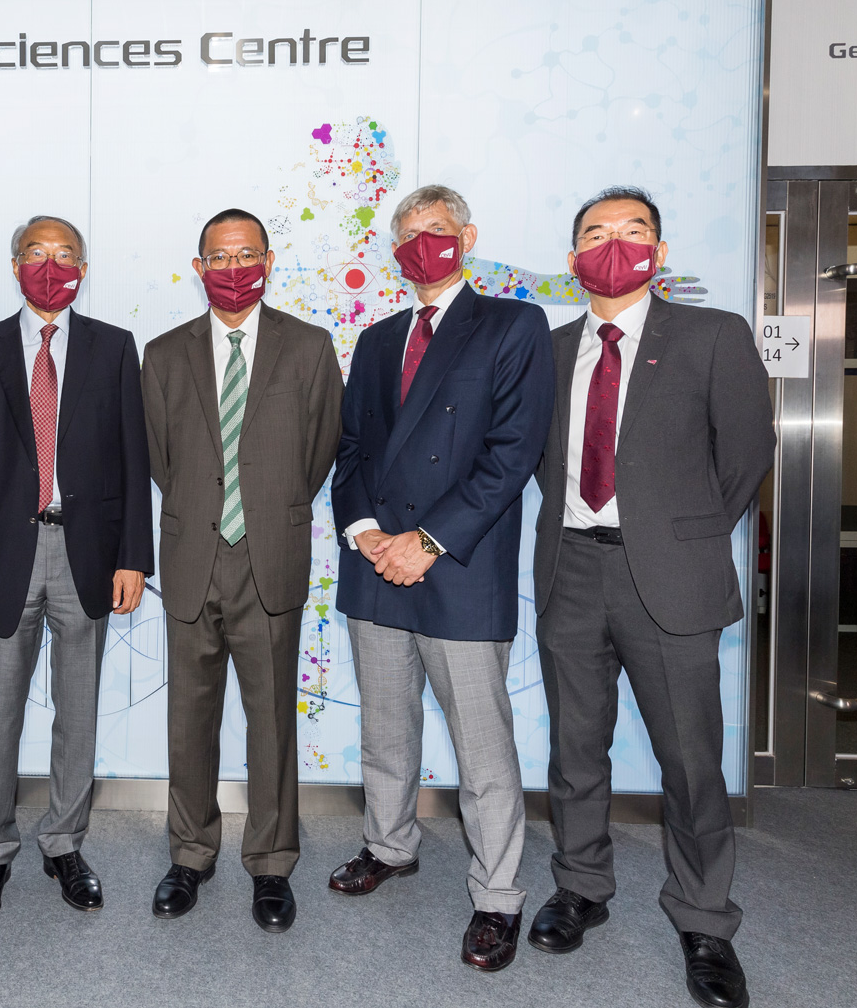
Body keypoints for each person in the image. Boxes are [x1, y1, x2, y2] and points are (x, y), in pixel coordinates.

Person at [529, 187, 773, 1008]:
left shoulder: (711, 335)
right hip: (570, 570)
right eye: (597, 234)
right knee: (575, 748)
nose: (615, 244)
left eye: (634, 232)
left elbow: (745, 452)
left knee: (691, 760)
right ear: (572, 260)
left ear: (659, 254)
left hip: (667, 578)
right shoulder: (553, 349)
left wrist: (685, 534)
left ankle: (705, 917)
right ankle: (582, 886)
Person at [329, 185, 555, 970]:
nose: (423, 243)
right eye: (409, 234)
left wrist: (425, 540)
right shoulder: (377, 336)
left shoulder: (513, 325)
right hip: (376, 569)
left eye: (438, 230)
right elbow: (351, 449)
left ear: (468, 236)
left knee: (482, 750)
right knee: (386, 732)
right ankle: (388, 846)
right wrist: (364, 533)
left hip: (458, 566)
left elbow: (511, 453)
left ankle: (497, 897)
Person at [0, 215, 153, 925]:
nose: (51, 264)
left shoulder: (114, 348)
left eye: (65, 254)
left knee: (79, 710)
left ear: (84, 270)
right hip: (2, 557)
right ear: (13, 264)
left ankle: (64, 841)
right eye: (37, 252)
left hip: (86, 553)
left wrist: (133, 556)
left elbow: (133, 460)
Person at [141, 208, 344, 933]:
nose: (233, 267)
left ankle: (271, 862)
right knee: (188, 719)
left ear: (268, 261)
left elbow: (319, 450)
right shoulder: (163, 353)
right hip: (194, 554)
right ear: (198, 266)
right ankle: (190, 853)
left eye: (246, 254)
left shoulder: (310, 346)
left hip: (272, 558)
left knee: (271, 723)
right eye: (219, 256)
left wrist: (267, 508)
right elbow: (163, 460)